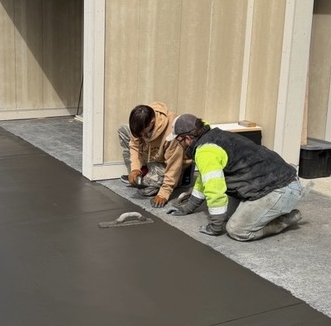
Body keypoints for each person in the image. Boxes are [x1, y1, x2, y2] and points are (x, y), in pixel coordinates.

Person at [165, 114, 305, 240]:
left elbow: (215, 191)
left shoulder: (205, 151)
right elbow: (205, 180)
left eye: (178, 140)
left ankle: (284, 219)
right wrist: (187, 208)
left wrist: (215, 227)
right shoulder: (210, 138)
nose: (178, 144)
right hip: (265, 181)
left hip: (280, 187)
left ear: (188, 138)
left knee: (236, 230)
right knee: (223, 214)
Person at [117, 102, 188, 207]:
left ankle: (180, 179)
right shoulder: (141, 122)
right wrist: (135, 169)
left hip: (169, 163)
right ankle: (143, 172)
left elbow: (174, 165)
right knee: (123, 130)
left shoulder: (172, 133)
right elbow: (135, 146)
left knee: (145, 191)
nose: (142, 136)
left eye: (144, 133)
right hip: (152, 155)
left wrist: (164, 193)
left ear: (152, 122)